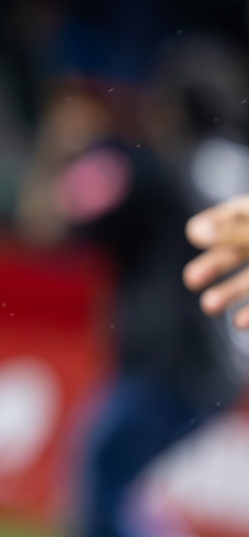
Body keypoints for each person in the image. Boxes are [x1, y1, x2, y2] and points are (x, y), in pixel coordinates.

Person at [21, 44, 247, 537]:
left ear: (170, 110)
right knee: (117, 490)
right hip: (220, 373)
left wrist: (61, 146)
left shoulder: (155, 173)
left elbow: (48, 222)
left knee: (101, 494)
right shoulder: (237, 172)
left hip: (164, 367)